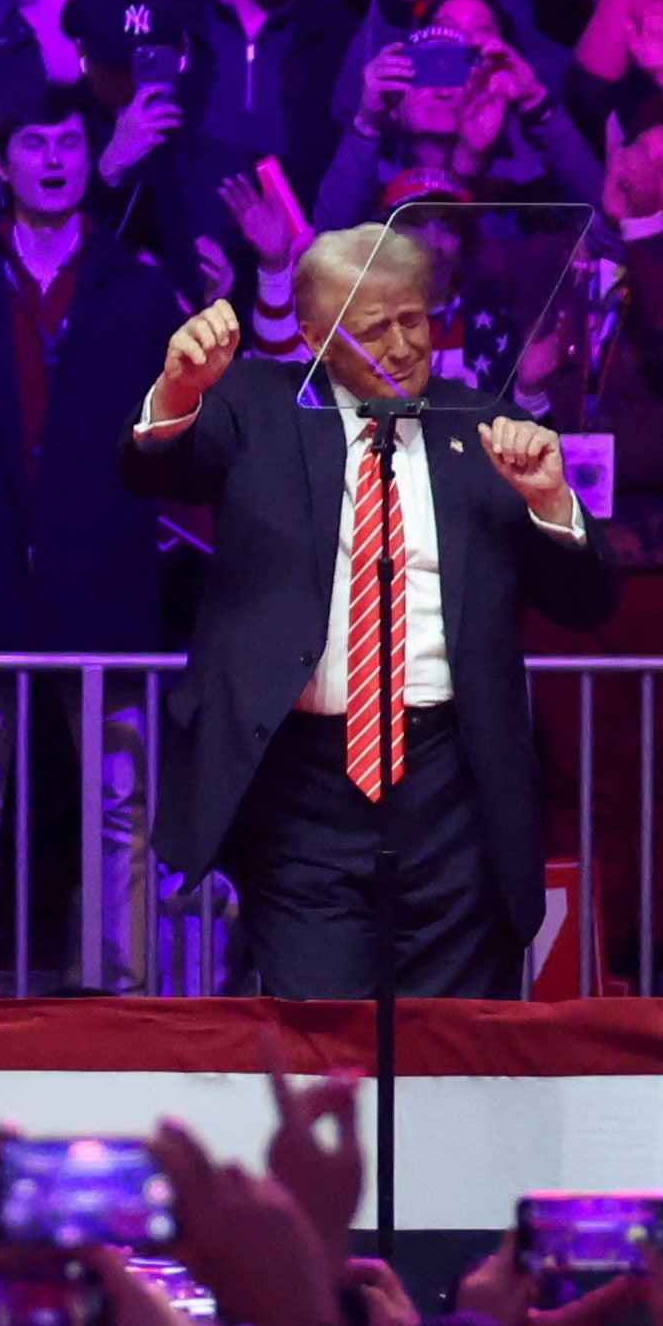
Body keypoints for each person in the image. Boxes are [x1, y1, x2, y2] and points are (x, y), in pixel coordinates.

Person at [124, 220, 616, 997]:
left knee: (450, 1055)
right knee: (326, 1047)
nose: (399, 346)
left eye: (412, 319)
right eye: (372, 328)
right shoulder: (256, 406)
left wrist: (553, 502)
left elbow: (587, 600)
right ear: (318, 338)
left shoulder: (483, 427)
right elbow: (155, 468)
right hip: (303, 792)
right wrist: (182, 387)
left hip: (455, 790)